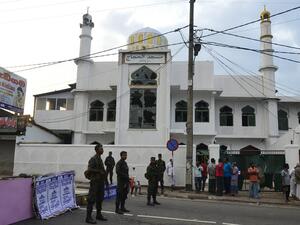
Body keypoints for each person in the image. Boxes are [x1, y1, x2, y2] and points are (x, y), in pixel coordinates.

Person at [85, 144, 107, 224]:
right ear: (97, 150)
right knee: (91, 199)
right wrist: (98, 171)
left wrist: (105, 179)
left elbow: (102, 170)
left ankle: (98, 214)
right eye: (101, 149)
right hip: (95, 182)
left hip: (100, 182)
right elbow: (90, 169)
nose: (102, 150)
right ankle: (88, 217)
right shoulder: (93, 159)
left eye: (102, 149)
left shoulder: (100, 159)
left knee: (100, 199)